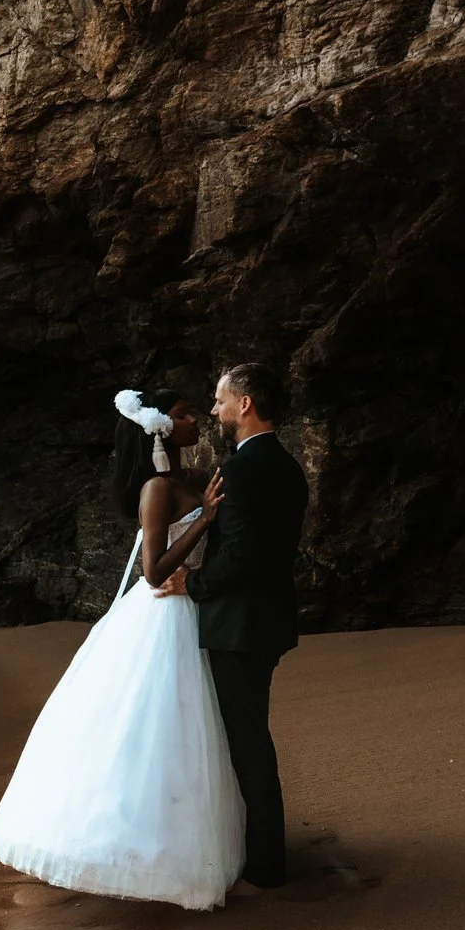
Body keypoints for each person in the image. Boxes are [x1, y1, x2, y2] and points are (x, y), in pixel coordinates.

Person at [0, 388, 247, 909]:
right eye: (180, 415)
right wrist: (203, 520)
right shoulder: (155, 489)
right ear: (158, 430)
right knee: (149, 730)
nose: (193, 419)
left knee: (187, 734)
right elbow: (152, 571)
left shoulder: (190, 479)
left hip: (192, 605)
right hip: (162, 611)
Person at [184, 362, 309, 891]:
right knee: (249, 734)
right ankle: (262, 852)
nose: (214, 410)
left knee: (248, 741)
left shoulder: (241, 471)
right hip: (269, 619)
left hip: (239, 626)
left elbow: (240, 556)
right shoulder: (288, 466)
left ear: (246, 404)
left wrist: (190, 584)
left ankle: (265, 866)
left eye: (220, 400)